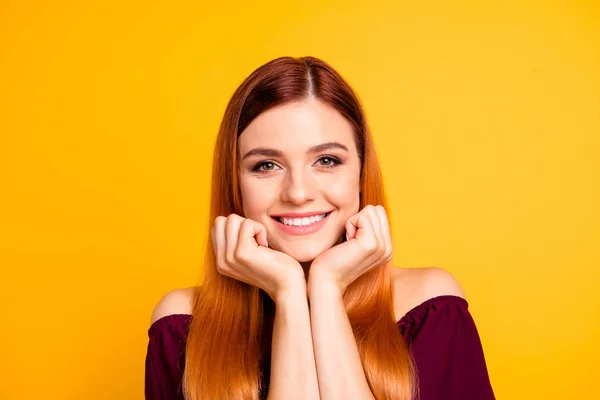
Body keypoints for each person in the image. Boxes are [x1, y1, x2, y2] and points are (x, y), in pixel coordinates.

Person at [145, 56, 495, 400]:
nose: (298, 193)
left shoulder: (431, 309)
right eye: (266, 165)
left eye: (326, 161)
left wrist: (327, 289)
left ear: (360, 174)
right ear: (234, 184)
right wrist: (289, 293)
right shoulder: (182, 327)